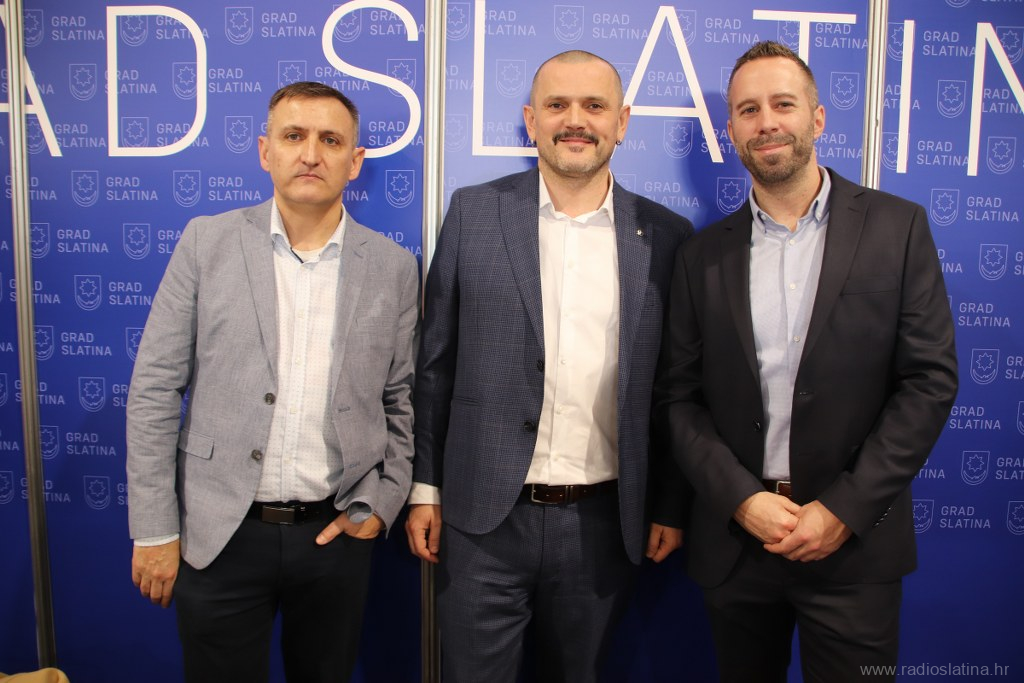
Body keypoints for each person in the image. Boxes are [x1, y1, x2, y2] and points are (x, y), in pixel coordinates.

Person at [655, 41, 958, 682]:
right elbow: (680, 399)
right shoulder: (700, 256)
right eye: (748, 110)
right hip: (737, 546)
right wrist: (742, 500)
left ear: (817, 118)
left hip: (854, 547)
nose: (766, 122)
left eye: (783, 104)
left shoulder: (898, 228)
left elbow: (928, 382)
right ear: (732, 130)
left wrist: (843, 509)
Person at [405, 50, 693, 682]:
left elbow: (674, 389)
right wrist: (425, 486)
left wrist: (670, 504)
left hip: (605, 524)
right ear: (531, 120)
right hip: (481, 520)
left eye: (594, 106)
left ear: (622, 122)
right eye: (557, 105)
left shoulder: (667, 236)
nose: (576, 120)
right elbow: (435, 365)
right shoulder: (473, 212)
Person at [126, 82, 418, 683]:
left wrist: (383, 503)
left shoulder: (393, 267)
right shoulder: (206, 242)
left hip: (336, 533)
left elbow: (402, 398)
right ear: (266, 151)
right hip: (219, 535)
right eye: (293, 136)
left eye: (330, 140)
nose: (310, 154)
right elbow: (154, 388)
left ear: (355, 160)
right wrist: (154, 529)